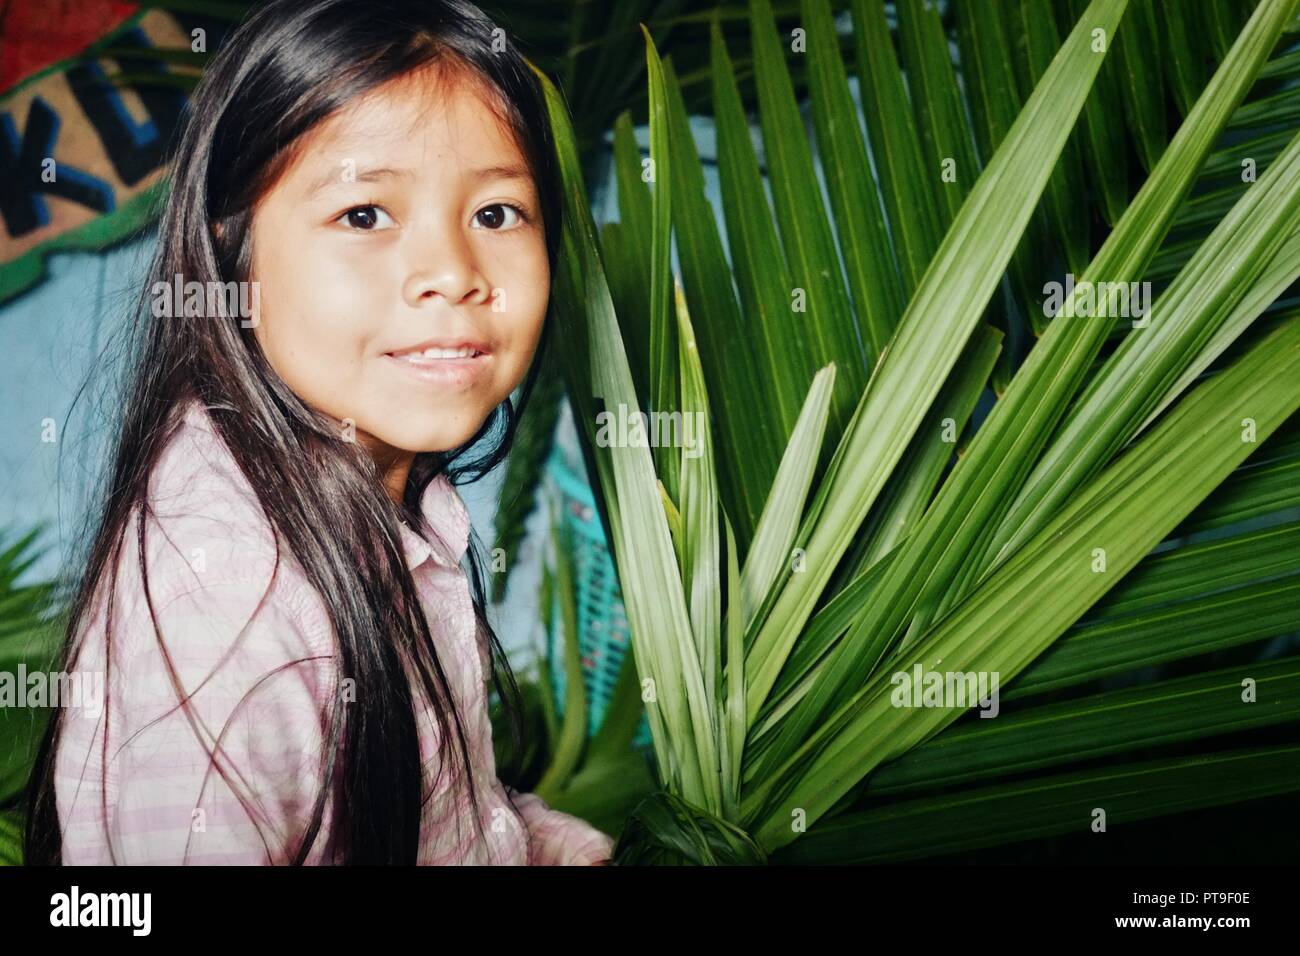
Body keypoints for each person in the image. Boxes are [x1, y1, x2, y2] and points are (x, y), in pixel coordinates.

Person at [20, 0, 614, 865]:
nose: (453, 272)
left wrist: (536, 841)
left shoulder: (376, 482)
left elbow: (439, 807)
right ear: (235, 254)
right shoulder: (228, 606)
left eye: (496, 213)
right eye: (365, 215)